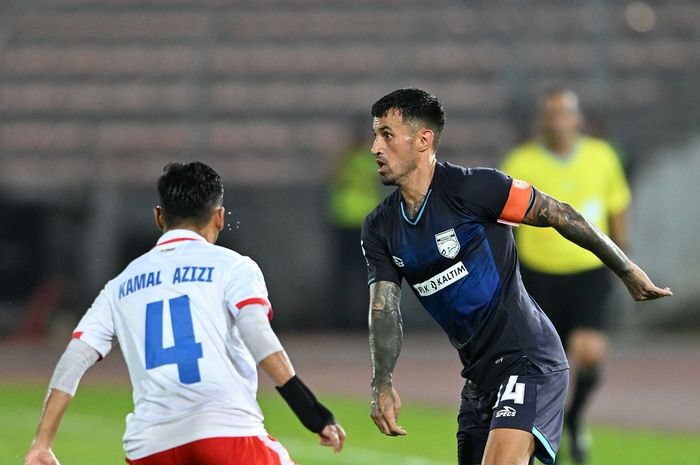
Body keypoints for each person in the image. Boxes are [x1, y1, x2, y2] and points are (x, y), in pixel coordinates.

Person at [360, 88, 671, 465]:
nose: (375, 146)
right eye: (375, 135)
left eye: (387, 134)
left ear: (424, 140)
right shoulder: (380, 227)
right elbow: (383, 308)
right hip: (477, 380)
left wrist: (625, 268)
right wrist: (382, 381)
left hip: (529, 360)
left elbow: (558, 213)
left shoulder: (474, 189)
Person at [25, 162, 346, 465]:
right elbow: (257, 335)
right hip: (225, 433)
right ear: (218, 217)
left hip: (150, 447)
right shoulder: (233, 266)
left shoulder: (120, 285)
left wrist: (42, 444)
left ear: (158, 217)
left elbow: (73, 359)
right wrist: (312, 413)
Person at [501, 88, 630, 464]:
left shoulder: (601, 157)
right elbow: (505, 222)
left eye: (563, 113)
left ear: (578, 119)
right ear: (541, 121)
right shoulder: (521, 160)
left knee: (589, 355)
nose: (556, 120)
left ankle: (574, 416)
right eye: (549, 114)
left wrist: (622, 258)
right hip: (538, 276)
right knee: (543, 363)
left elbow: (618, 205)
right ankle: (545, 433)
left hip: (589, 273)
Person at [327, 121, 385, 328]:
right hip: (345, 220)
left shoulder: (372, 160)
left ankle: (362, 318)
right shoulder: (346, 159)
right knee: (344, 273)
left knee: (363, 274)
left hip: (363, 222)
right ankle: (341, 318)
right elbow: (332, 177)